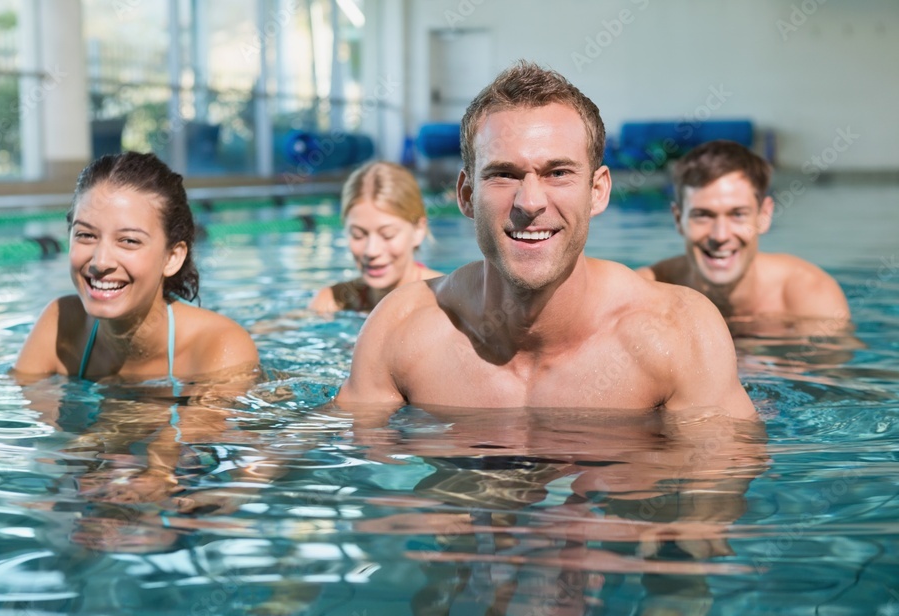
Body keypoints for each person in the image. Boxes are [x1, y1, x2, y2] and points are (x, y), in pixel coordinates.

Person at [334, 62, 756, 421]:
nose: (530, 202)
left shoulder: (679, 334)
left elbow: (711, 502)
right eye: (503, 174)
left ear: (598, 191)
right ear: (465, 195)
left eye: (558, 173)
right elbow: (355, 483)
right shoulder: (400, 330)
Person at [14, 151, 259, 385]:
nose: (100, 262)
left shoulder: (219, 348)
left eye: (129, 241)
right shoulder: (60, 324)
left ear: (172, 257)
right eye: (86, 235)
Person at [636, 140, 850, 323]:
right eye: (702, 215)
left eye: (738, 214)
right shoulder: (646, 293)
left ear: (764, 216)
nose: (720, 236)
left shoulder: (809, 298)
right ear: (678, 219)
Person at [309, 160, 443, 314]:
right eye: (358, 235)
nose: (371, 251)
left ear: (418, 230)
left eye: (387, 235)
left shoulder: (445, 301)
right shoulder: (334, 301)